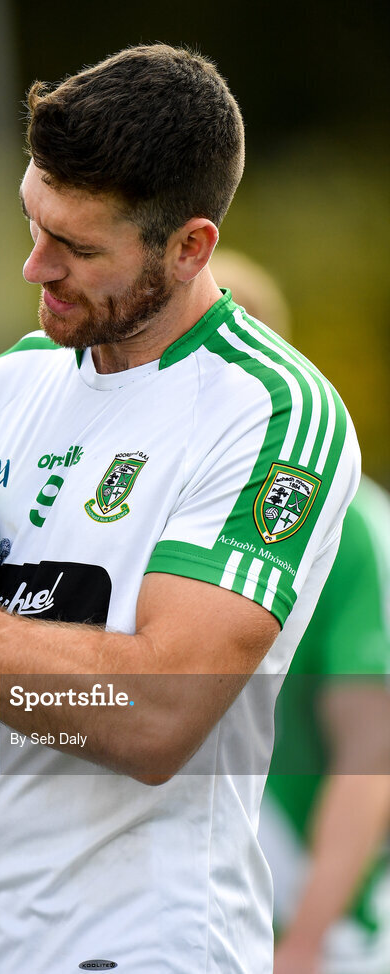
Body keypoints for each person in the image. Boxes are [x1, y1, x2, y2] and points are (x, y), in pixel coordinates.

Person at [0, 46, 361, 973]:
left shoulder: (271, 412)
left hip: (144, 950)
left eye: (79, 247)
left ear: (189, 247)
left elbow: (152, 720)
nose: (31, 266)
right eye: (33, 220)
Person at [210, 250, 390, 974]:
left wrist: (308, 940)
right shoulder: (179, 522)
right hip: (208, 917)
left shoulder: (353, 527)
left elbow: (371, 752)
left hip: (321, 927)